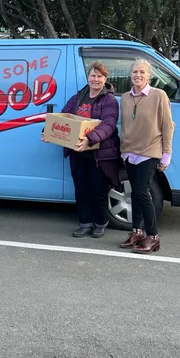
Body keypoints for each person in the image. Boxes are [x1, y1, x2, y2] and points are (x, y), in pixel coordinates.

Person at [48, 61, 120, 238]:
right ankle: (85, 223)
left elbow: (108, 125)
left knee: (98, 190)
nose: (95, 79)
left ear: (105, 79)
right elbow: (63, 117)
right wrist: (49, 131)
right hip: (77, 152)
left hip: (98, 154)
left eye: (99, 76)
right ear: (88, 77)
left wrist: (90, 139)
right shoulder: (78, 97)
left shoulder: (109, 100)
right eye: (93, 75)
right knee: (81, 189)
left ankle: (100, 223)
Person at [119, 59, 174, 254]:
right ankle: (137, 232)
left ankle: (153, 236)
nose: (138, 75)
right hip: (129, 152)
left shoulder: (159, 95)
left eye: (142, 72)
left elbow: (168, 126)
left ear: (148, 75)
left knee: (142, 191)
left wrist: (166, 154)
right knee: (134, 192)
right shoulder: (125, 97)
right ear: (130, 75)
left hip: (149, 152)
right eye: (135, 72)